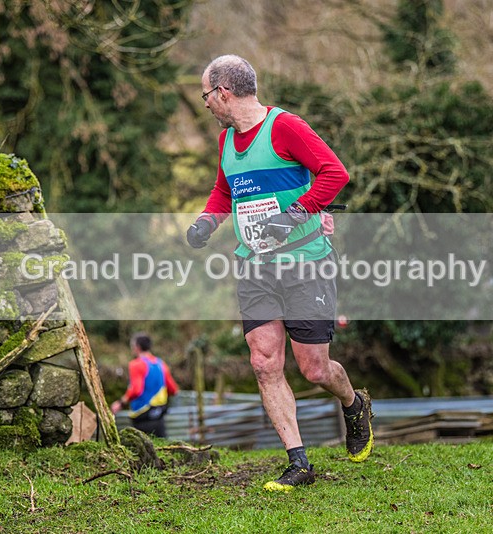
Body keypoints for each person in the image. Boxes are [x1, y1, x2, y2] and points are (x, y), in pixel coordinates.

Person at [186, 55, 373, 492]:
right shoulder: (226, 141)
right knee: (263, 360)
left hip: (305, 261)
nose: (206, 104)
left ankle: (353, 402)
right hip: (254, 265)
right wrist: (207, 223)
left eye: (206, 96)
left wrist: (294, 214)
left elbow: (335, 173)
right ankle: (298, 462)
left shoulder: (285, 127)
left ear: (223, 92)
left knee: (314, 369)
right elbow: (224, 190)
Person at [111, 333, 179, 438]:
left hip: (142, 417)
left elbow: (136, 390)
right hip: (159, 416)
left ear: (136, 347)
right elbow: (173, 390)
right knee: (162, 449)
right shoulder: (161, 364)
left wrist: (120, 403)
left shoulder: (136, 364)